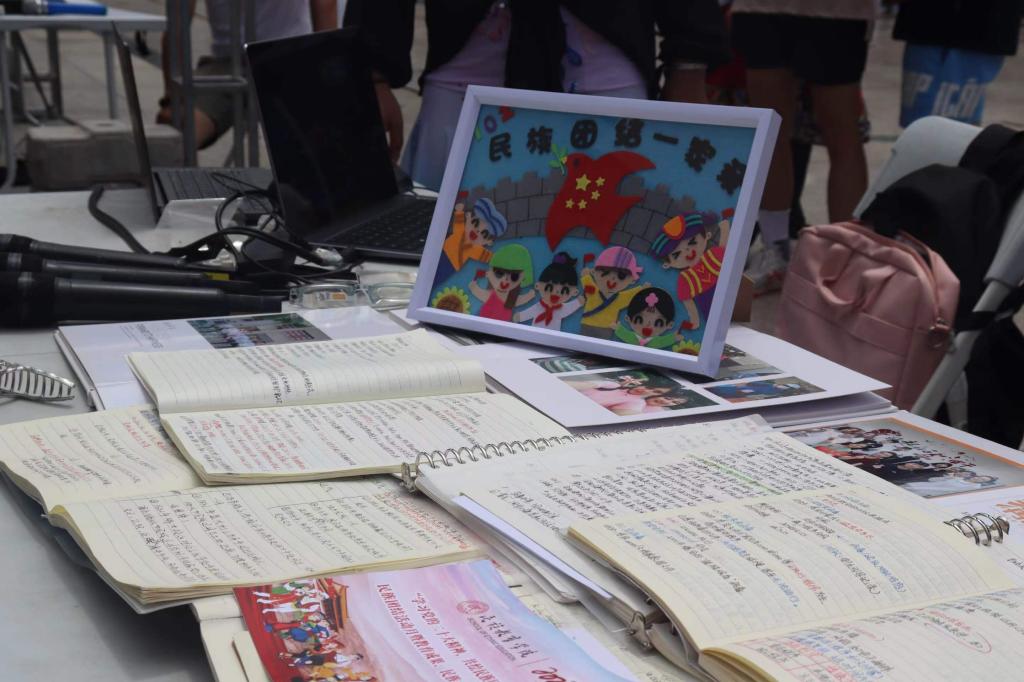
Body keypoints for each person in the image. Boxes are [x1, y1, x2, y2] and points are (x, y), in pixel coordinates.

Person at [343, 0, 730, 188]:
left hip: (604, 74)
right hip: (467, 77)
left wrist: (690, 62)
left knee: (613, 265)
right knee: (440, 266)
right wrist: (373, 74)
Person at [729, 0, 876, 293]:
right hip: (761, 8)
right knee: (770, 130)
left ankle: (846, 257)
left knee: (842, 134)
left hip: (837, 12)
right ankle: (776, 249)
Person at [159, 0, 338, 150]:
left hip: (287, 58)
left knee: (175, 136)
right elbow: (177, 27)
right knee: (174, 135)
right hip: (237, 65)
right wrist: (173, 96)